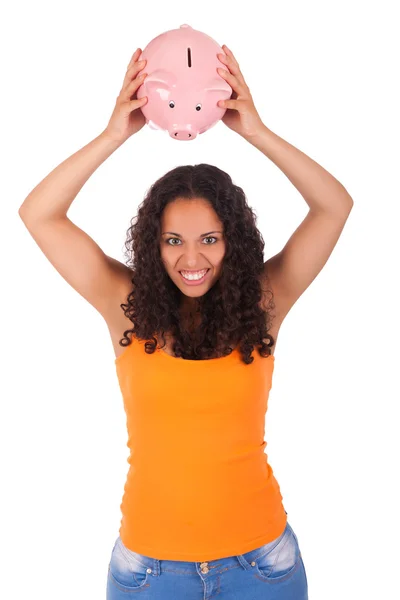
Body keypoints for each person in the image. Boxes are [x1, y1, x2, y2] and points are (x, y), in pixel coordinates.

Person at [19, 45, 353, 600]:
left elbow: (334, 207)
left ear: (233, 243)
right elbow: (38, 214)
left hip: (262, 566)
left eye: (209, 240)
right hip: (149, 571)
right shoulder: (125, 304)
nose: (191, 259)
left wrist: (257, 132)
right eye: (174, 240)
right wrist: (113, 135)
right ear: (154, 245)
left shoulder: (264, 303)